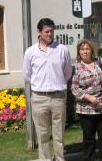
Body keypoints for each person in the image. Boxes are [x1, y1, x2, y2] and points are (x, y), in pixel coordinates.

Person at [23, 18, 72, 161]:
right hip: (39, 98)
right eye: (47, 31)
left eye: (52, 31)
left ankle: (59, 159)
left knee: (59, 135)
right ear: (39, 32)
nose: (50, 34)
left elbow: (67, 72)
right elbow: (27, 75)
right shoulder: (30, 52)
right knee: (42, 135)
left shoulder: (62, 50)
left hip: (58, 97)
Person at [71, 39, 102, 161]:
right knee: (88, 137)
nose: (85, 51)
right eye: (82, 49)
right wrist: (88, 97)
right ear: (78, 52)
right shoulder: (76, 67)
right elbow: (74, 89)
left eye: (87, 49)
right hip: (85, 109)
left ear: (91, 50)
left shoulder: (100, 62)